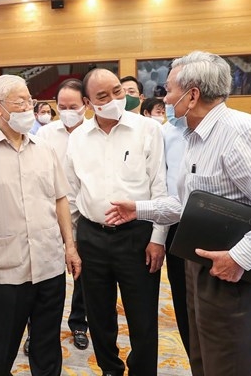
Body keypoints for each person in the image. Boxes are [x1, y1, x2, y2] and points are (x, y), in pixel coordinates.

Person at [105, 51, 251, 376]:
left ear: (192, 95)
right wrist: (139, 209)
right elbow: (189, 205)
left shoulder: (241, 133)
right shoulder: (196, 136)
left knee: (227, 364)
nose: (165, 98)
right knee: (203, 359)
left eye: (169, 89)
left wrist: (239, 258)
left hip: (235, 276)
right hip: (202, 267)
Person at [0, 74, 82, 376]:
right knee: (4, 351)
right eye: (21, 102)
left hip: (49, 264)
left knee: (47, 348)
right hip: (7, 269)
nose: (29, 107)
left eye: (30, 100)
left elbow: (60, 199)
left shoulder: (44, 149)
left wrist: (70, 247)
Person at [66, 68, 166, 376]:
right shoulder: (78, 138)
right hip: (92, 236)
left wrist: (158, 239)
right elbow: (71, 194)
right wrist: (72, 243)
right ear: (87, 103)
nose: (113, 99)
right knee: (98, 315)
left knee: (142, 316)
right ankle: (110, 368)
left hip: (137, 236)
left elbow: (160, 187)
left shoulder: (148, 130)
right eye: (102, 96)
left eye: (117, 91)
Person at [35, 78, 89, 352]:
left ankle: (79, 323)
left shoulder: (94, 132)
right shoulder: (45, 134)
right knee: (44, 277)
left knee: (83, 276)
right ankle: (37, 331)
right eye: (63, 106)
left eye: (74, 106)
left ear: (86, 104)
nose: (68, 112)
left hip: (86, 216)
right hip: (50, 214)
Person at [160, 99, 190, 357]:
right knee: (182, 299)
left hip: (219, 232)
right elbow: (162, 184)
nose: (165, 100)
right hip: (176, 227)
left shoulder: (237, 129)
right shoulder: (166, 132)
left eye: (170, 91)